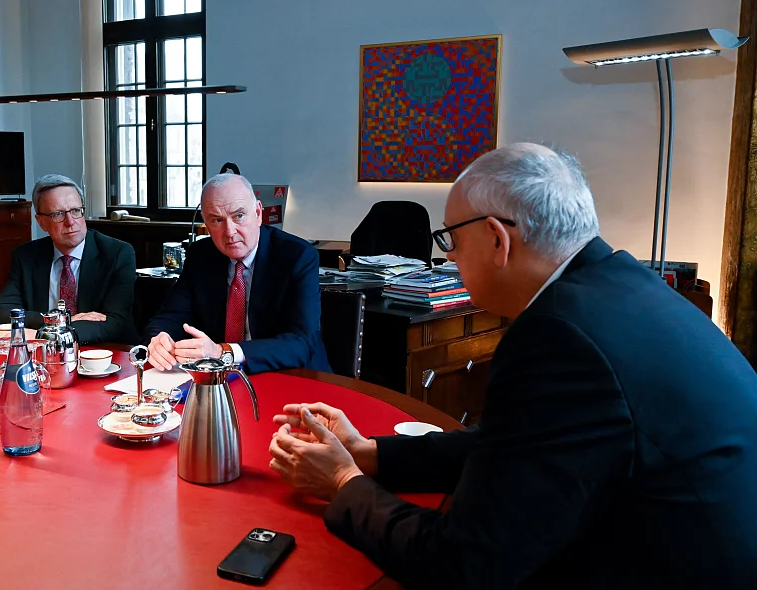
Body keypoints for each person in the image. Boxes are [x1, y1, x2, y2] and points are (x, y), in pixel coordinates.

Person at [268, 143, 757, 588]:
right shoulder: (622, 283)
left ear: (497, 239)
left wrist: (342, 482)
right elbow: (517, 443)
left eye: (450, 241)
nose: (451, 258)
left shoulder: (558, 337)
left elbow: (465, 565)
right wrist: (368, 453)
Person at [144, 172, 330, 374]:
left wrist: (223, 352)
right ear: (205, 224)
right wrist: (158, 339)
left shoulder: (297, 256)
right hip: (221, 381)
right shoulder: (201, 255)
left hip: (292, 377)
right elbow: (170, 316)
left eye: (239, 216)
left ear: (258, 214)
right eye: (216, 220)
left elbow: (301, 343)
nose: (230, 232)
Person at [0, 174, 138, 344]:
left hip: (102, 353)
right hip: (45, 355)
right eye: (58, 214)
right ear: (41, 222)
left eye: (75, 211)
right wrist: (59, 321)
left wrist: (44, 334)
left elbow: (115, 323)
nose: (70, 222)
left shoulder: (117, 253)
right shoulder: (26, 256)